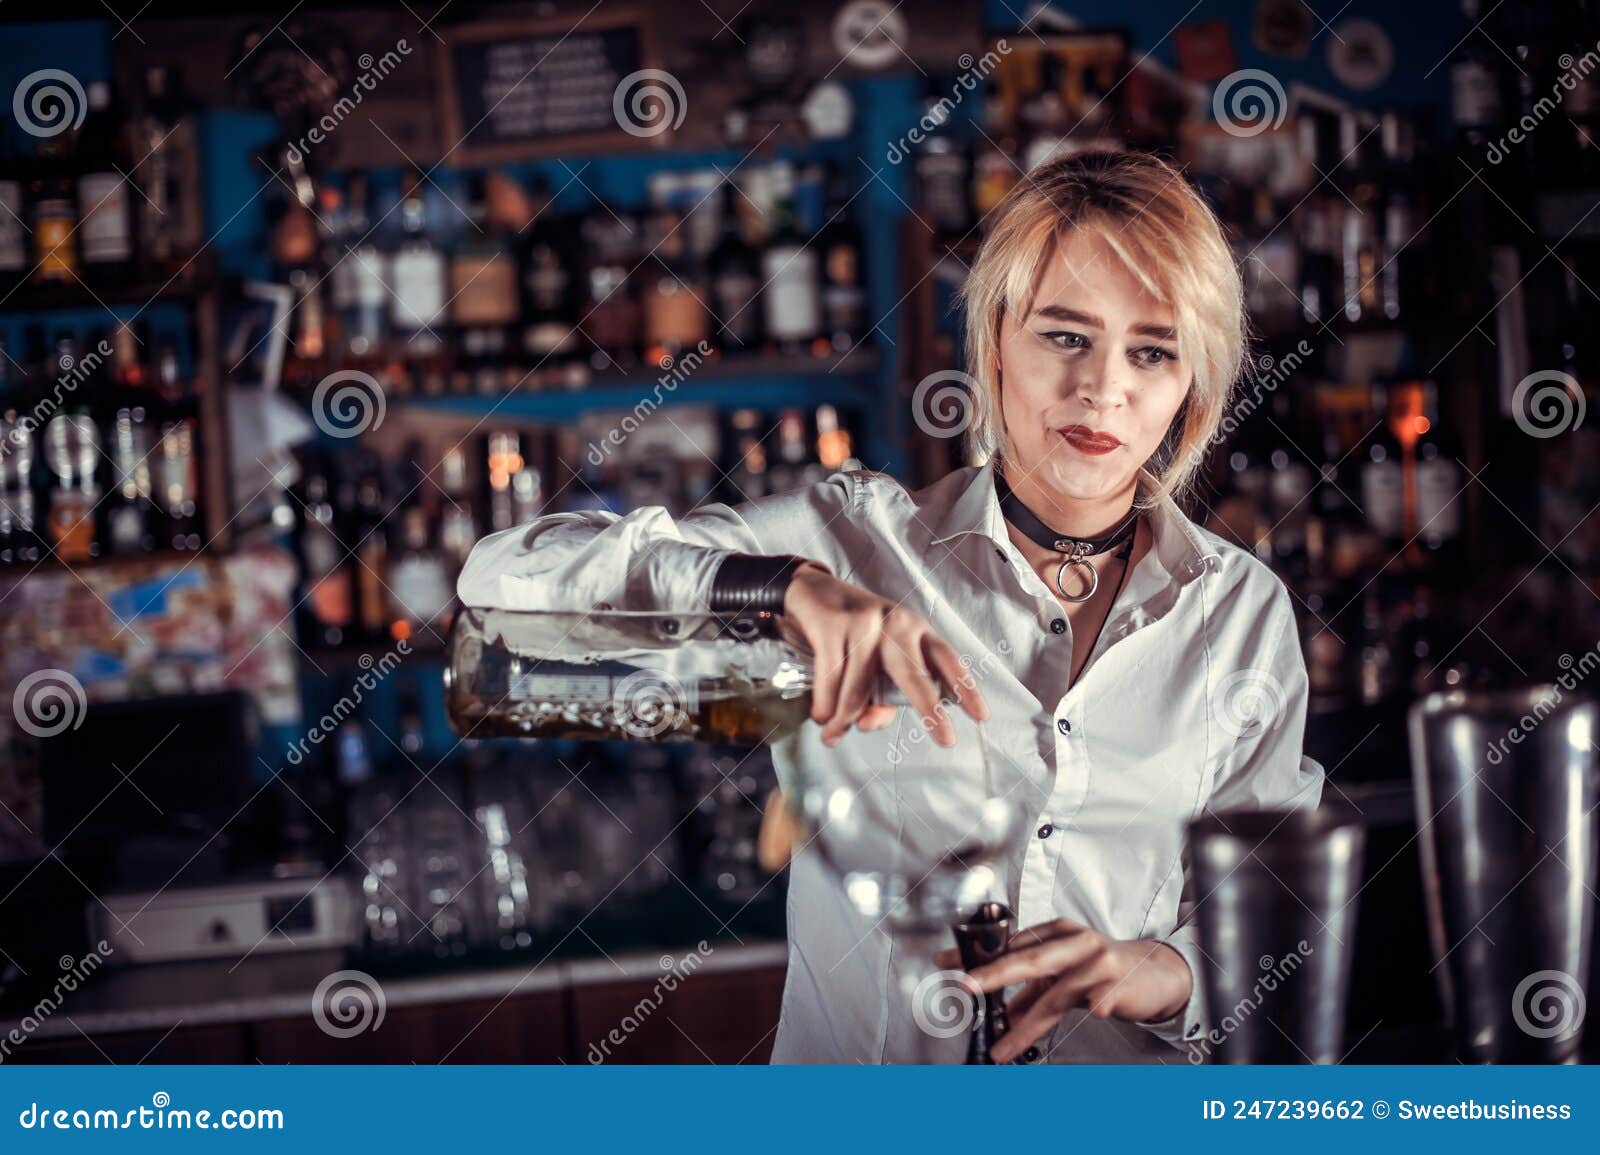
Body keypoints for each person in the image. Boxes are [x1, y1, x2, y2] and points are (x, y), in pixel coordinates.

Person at [456, 149, 1325, 1064]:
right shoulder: (859, 544)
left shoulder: (1240, 614)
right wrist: (780, 588)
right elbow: (501, 585)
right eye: (1065, 336)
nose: (1102, 388)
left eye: (1152, 351)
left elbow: (1278, 913)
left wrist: (1146, 969)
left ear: (1191, 381)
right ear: (995, 341)